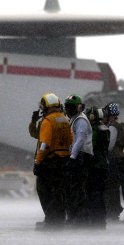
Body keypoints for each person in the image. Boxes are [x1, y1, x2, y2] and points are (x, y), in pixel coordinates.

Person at [33, 92, 73, 230]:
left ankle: (50, 220)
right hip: (64, 160)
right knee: (59, 191)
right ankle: (59, 219)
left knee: (45, 191)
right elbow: (71, 140)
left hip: (50, 161)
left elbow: (44, 144)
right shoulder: (65, 119)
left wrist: (38, 162)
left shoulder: (48, 121)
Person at [64, 94, 93, 226]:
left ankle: (79, 218)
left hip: (81, 156)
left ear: (79, 107)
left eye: (70, 107)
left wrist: (72, 156)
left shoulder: (80, 120)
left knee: (77, 188)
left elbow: (80, 140)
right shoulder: (74, 119)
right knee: (74, 188)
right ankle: (77, 217)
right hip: (78, 156)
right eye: (67, 106)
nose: (68, 109)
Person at [85, 106, 110, 228]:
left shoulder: (94, 130)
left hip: (94, 165)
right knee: (100, 194)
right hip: (103, 165)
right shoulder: (104, 128)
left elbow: (91, 145)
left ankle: (95, 221)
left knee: (93, 194)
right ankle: (101, 220)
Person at [103, 102, 124, 222]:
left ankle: (113, 211)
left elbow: (110, 144)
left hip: (113, 160)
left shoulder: (112, 126)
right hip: (120, 158)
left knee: (110, 187)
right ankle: (115, 209)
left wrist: (104, 154)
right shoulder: (121, 125)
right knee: (115, 187)